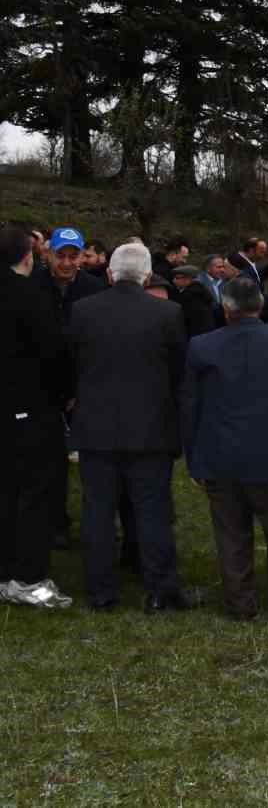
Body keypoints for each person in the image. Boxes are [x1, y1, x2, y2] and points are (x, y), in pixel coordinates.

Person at [67, 242, 198, 613]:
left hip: (96, 427)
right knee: (152, 513)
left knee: (98, 511)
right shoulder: (168, 313)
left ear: (109, 273)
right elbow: (178, 373)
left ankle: (101, 592)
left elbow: (72, 364)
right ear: (146, 276)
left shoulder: (82, 311)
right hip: (150, 428)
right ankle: (161, 589)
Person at [179, 277, 268, 621]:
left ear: (225, 308)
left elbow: (189, 406)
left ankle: (240, 602)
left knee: (231, 533)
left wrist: (193, 457)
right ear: (261, 304)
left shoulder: (201, 346)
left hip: (221, 455)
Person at [0, 222, 74, 608]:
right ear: (27, 256)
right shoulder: (28, 295)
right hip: (29, 409)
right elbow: (53, 352)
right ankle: (27, 578)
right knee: (33, 493)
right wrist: (65, 394)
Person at [34, 226, 106, 545]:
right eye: (60, 256)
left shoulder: (93, 289)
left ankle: (98, 523)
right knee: (47, 459)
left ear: (81, 258)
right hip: (40, 385)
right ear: (47, 254)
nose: (65, 263)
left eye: (72, 257)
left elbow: (99, 343)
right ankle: (53, 522)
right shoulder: (31, 285)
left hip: (82, 383)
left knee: (93, 458)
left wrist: (79, 389)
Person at [169, 265, 218, 340]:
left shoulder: (189, 297)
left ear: (188, 279)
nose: (174, 281)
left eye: (177, 278)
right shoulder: (199, 292)